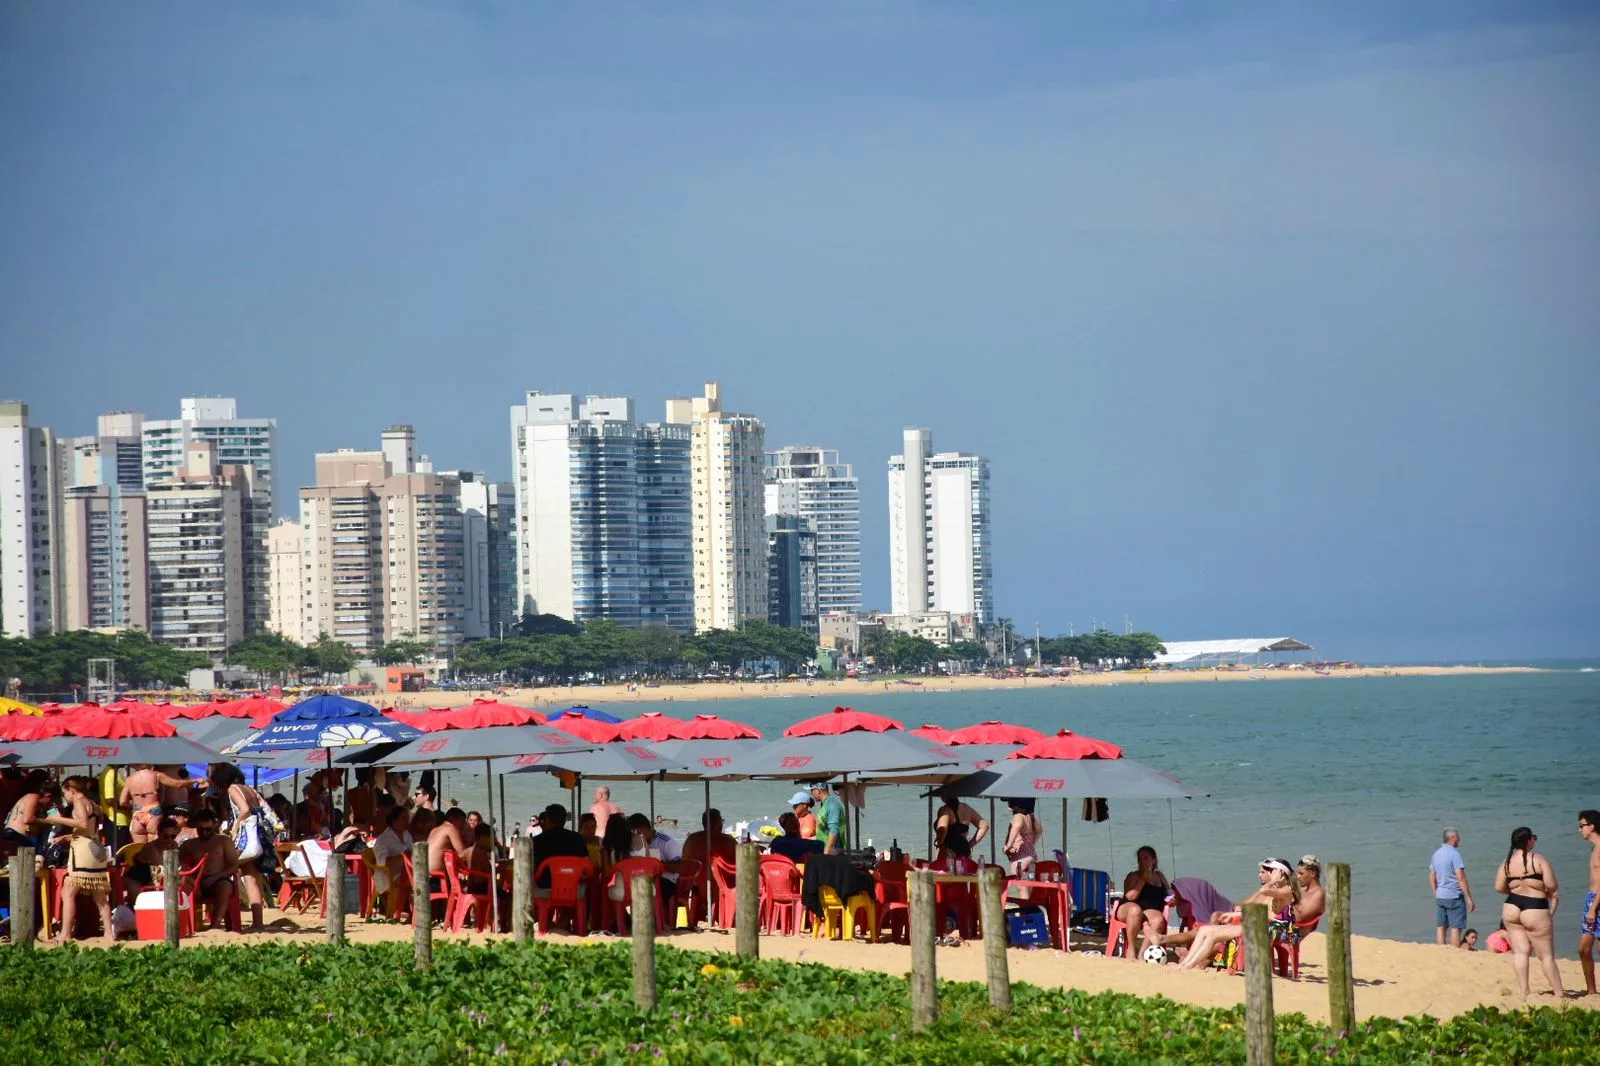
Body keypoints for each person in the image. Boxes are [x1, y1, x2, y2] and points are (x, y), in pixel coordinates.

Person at [1171, 858, 1302, 971]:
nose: (1271, 875)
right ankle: (1186, 963)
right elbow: (1260, 911)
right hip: (1256, 925)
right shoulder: (1276, 891)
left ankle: (1188, 966)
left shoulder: (1287, 891)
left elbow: (1263, 890)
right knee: (1204, 930)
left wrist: (1272, 881)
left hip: (1266, 930)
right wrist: (1232, 915)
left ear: (1282, 874)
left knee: (1212, 935)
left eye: (1273, 872)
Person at [32, 776, 113, 943]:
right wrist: (69, 836)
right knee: (99, 894)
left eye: (64, 793)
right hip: (95, 848)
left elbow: (82, 823)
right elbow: (90, 828)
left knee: (67, 892)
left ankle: (66, 933)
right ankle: (109, 934)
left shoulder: (79, 802)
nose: (65, 796)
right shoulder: (93, 804)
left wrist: (58, 819)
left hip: (83, 851)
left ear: (72, 790)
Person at [1494, 826, 1563, 998]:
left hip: (1512, 906)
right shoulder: (1538, 860)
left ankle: (1524, 991)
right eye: (1534, 838)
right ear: (1529, 841)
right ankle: (1559, 992)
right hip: (1535, 906)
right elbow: (1552, 886)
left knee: (1520, 952)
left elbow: (1499, 887)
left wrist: (1517, 889)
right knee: (1546, 955)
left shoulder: (1507, 863)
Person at [211, 763, 276, 932]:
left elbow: (245, 810)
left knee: (248, 879)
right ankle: (258, 922)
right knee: (254, 879)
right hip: (260, 836)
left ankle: (253, 923)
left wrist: (235, 827)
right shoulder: (249, 789)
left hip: (249, 838)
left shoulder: (233, 789)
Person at [179, 809, 240, 930]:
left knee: (225, 887)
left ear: (215, 824)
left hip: (218, 880)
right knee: (183, 887)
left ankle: (214, 927)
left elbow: (233, 867)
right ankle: (186, 926)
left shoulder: (224, 841)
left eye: (208, 829)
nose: (204, 833)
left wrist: (216, 877)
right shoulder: (188, 845)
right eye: (200, 830)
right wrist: (191, 880)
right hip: (195, 882)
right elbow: (181, 866)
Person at [121, 765, 207, 845]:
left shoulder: (129, 779)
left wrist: (135, 807)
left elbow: (122, 802)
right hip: (153, 811)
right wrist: (196, 780)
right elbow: (177, 784)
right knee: (154, 847)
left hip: (138, 812)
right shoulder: (156, 775)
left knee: (140, 849)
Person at [1115, 845, 1172, 958]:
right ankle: (1130, 948)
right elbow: (1130, 897)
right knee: (1135, 910)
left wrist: (1172, 899)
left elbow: (1169, 892)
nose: (1142, 862)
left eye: (1145, 858)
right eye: (1140, 859)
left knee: (1158, 920)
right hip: (1128, 908)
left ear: (1154, 860)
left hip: (1148, 911)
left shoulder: (1160, 876)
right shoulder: (1133, 876)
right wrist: (1142, 879)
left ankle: (1143, 953)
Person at [626, 812, 684, 911]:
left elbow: (680, 867)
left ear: (647, 828)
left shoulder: (665, 842)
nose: (637, 836)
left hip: (668, 882)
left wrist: (658, 864)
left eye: (639, 833)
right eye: (634, 833)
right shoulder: (634, 843)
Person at [1430, 827, 1474, 947]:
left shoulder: (1436, 854)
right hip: (1454, 895)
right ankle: (1455, 951)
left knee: (1441, 926)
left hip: (1441, 895)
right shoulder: (1454, 854)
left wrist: (1436, 893)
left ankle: (1440, 950)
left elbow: (1432, 877)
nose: (1459, 839)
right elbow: (1461, 877)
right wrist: (1469, 898)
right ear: (1452, 838)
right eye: (1457, 837)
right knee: (1456, 927)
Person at [122, 816, 183, 901]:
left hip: (154, 876)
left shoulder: (173, 845)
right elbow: (161, 866)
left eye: (173, 836)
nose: (169, 839)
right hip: (136, 877)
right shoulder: (151, 848)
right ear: (158, 833)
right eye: (166, 836)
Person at [531, 804, 589, 891]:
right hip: (573, 889)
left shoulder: (536, 841)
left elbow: (530, 868)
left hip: (544, 888)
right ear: (564, 820)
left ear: (548, 820)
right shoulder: (578, 838)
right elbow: (587, 867)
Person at [372, 805, 413, 914]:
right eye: (403, 818)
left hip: (405, 873)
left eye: (407, 818)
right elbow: (382, 862)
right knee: (415, 881)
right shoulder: (383, 839)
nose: (407, 821)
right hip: (388, 876)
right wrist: (403, 857)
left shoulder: (407, 835)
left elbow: (412, 851)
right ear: (394, 820)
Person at [1578, 808, 1600, 997]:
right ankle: (1591, 992)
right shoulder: (1594, 848)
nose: (1580, 830)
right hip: (1591, 899)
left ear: (1592, 826)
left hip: (1597, 902)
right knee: (1583, 949)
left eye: (1582, 825)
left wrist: (1593, 908)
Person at [3, 770, 54, 849]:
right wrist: (49, 821)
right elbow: (28, 819)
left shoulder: (29, 796)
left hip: (19, 835)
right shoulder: (33, 796)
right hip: (17, 835)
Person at [933, 790, 988, 862]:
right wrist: (970, 844)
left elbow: (943, 829)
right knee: (963, 872)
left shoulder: (945, 810)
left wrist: (938, 843)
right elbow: (984, 826)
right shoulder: (966, 808)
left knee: (945, 872)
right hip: (965, 851)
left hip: (948, 851)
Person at [426, 808, 470, 896]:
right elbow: (462, 854)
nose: (462, 826)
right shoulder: (451, 828)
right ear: (453, 819)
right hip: (436, 879)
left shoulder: (435, 830)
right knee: (469, 887)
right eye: (462, 822)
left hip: (426, 876)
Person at [1003, 799, 1043, 878]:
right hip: (1031, 855)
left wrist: (1008, 846)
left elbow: (1017, 826)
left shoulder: (1019, 816)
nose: (1008, 803)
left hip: (1020, 857)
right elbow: (1039, 831)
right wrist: (1031, 842)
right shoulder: (1030, 817)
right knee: (1029, 885)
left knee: (1019, 886)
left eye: (1009, 801)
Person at [600, 813, 635, 902]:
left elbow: (607, 875)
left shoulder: (607, 850)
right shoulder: (638, 842)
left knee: (607, 890)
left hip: (621, 891)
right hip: (642, 888)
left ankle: (618, 915)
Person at [814, 783, 850, 855]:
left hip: (834, 852)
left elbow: (834, 830)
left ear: (818, 791)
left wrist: (826, 851)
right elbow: (823, 831)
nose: (811, 794)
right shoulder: (825, 804)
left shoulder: (832, 804)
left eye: (812, 791)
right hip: (824, 849)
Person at [1295, 856, 1327, 924]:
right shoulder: (1301, 890)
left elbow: (1300, 917)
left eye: (1301, 873)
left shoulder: (1319, 894)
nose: (1298, 877)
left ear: (1312, 874)